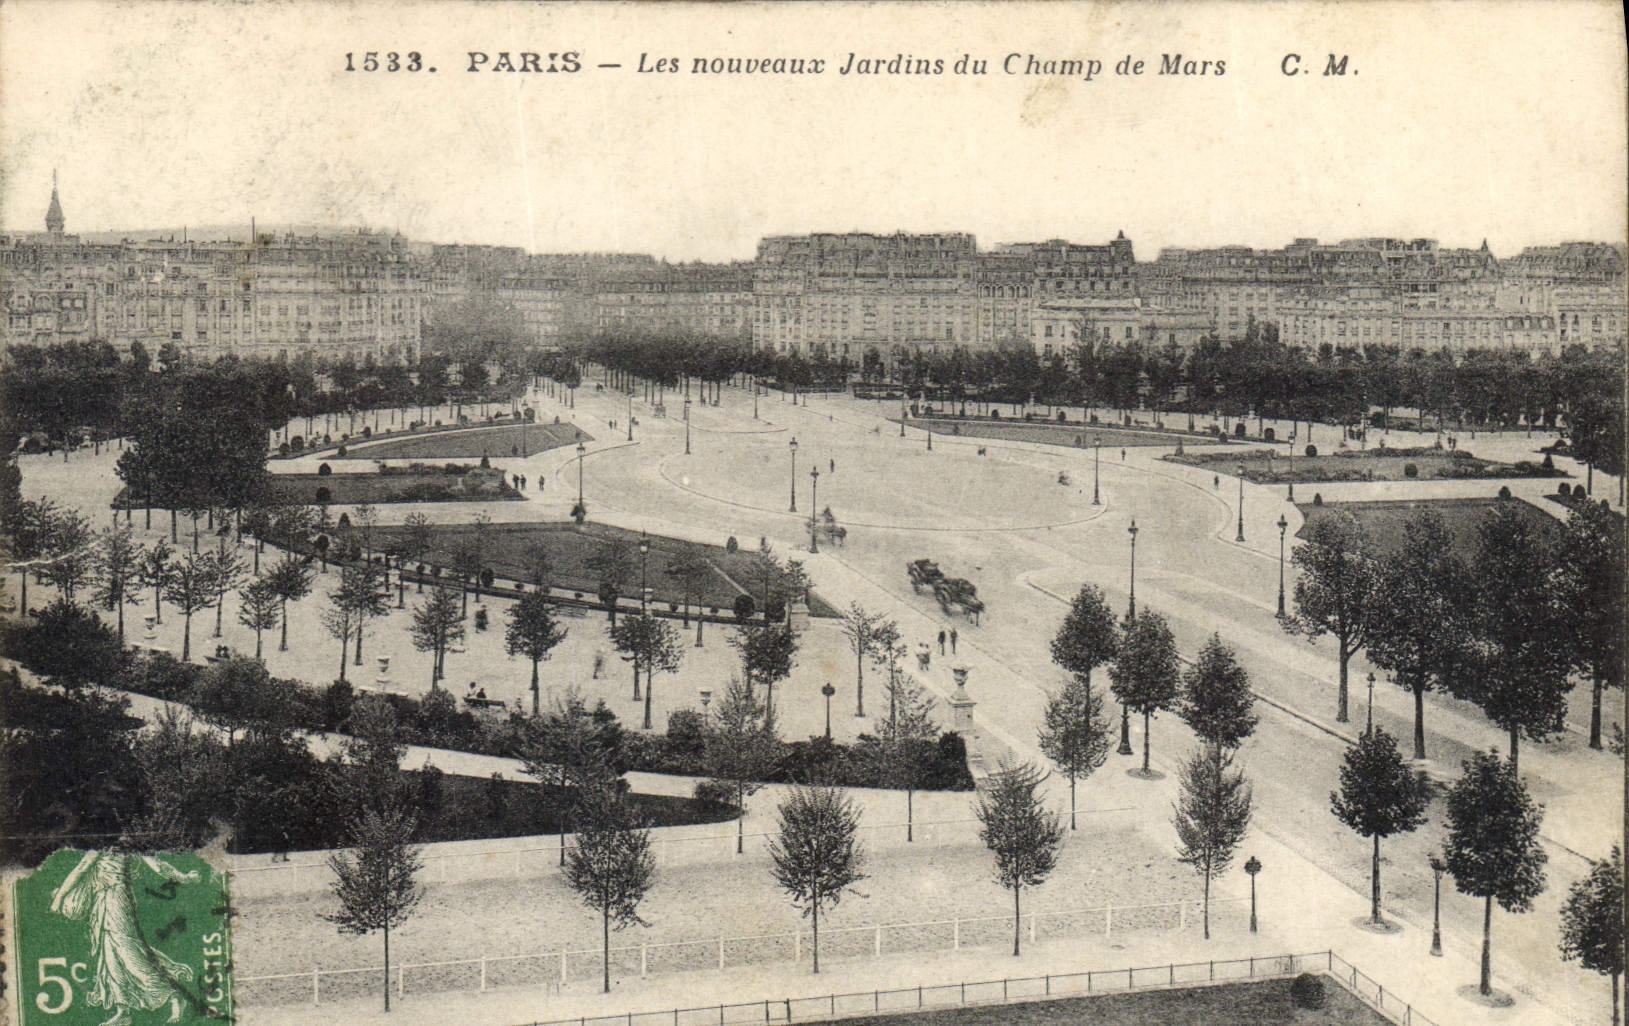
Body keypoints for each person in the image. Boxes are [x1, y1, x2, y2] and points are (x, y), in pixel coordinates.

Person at [49, 847, 201, 1026]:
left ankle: (173, 996)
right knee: (109, 956)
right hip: (102, 902)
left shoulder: (123, 842)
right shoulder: (106, 842)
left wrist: (58, 900)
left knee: (130, 954)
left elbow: (82, 868)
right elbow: (158, 866)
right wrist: (185, 878)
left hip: (117, 900)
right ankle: (123, 1011)